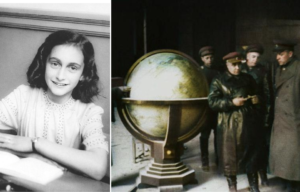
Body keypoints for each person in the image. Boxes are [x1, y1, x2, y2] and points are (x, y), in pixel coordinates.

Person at [0, 30, 108, 181]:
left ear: (84, 74)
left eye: (72, 67)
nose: (60, 75)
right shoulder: (22, 96)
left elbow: (98, 168)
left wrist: (35, 144)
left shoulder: (88, 112)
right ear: (45, 63)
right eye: (55, 64)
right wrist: (31, 155)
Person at [208, 52, 261, 192]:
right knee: (229, 157)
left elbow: (258, 94)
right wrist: (231, 102)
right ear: (227, 64)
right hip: (228, 125)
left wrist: (257, 100)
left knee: (251, 155)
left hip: (248, 122)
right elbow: (212, 102)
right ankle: (232, 187)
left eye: (239, 64)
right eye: (234, 65)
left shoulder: (248, 78)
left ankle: (254, 186)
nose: (237, 68)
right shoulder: (218, 80)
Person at [269, 40, 300, 191]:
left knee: (293, 152)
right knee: (284, 152)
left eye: (281, 54)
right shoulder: (279, 69)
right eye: (277, 54)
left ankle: (293, 183)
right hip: (281, 117)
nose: (278, 57)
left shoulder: (298, 68)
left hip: (294, 118)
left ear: (290, 54)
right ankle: (287, 179)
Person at [241, 44, 271, 186]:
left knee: (259, 146)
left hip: (257, 114)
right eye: (253, 57)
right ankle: (250, 177)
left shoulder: (263, 72)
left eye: (257, 57)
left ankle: (262, 174)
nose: (255, 60)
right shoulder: (239, 70)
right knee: (246, 146)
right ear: (247, 57)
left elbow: (267, 94)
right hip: (242, 114)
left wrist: (260, 100)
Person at [198, 46, 220, 171]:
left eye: (211, 57)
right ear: (202, 59)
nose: (210, 60)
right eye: (207, 58)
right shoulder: (199, 73)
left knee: (218, 136)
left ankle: (218, 159)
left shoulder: (218, 73)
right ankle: (205, 161)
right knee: (204, 137)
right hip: (206, 111)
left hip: (216, 110)